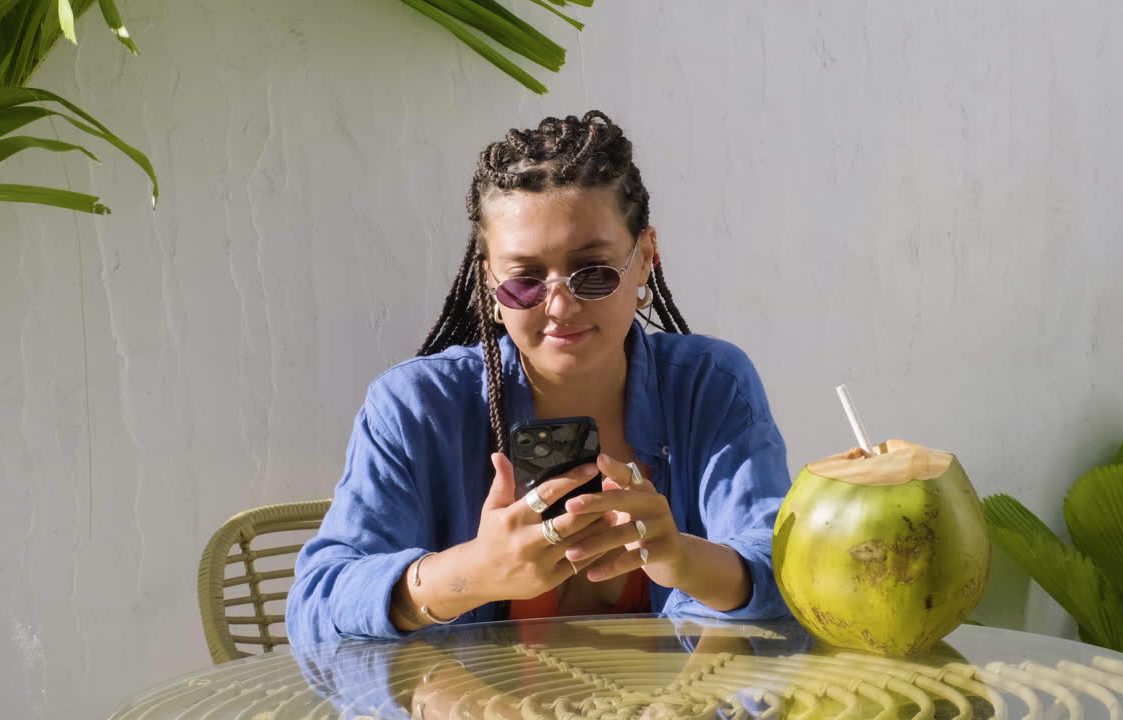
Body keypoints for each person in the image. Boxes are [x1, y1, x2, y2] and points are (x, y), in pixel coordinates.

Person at [286, 110, 791, 644]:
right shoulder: (414, 406)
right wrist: (471, 575)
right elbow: (316, 605)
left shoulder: (710, 385)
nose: (559, 305)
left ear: (644, 258)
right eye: (524, 280)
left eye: (592, 271)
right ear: (489, 283)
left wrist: (682, 557)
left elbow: (788, 572)